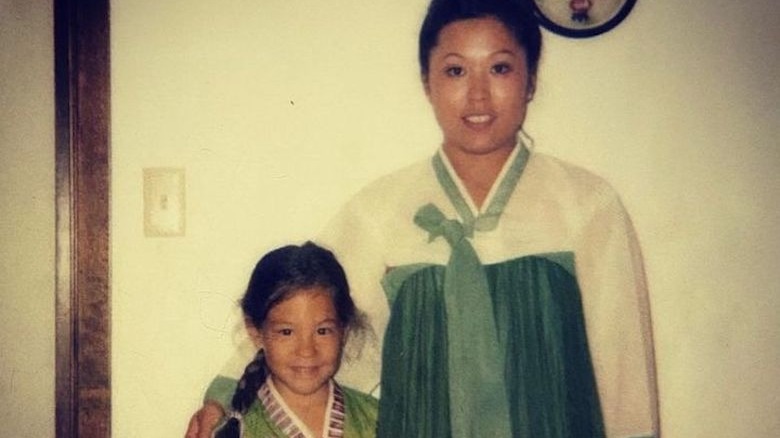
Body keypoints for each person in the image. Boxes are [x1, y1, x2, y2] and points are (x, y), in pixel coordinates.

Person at [188, 0, 659, 436]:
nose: (478, 94)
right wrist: (223, 396)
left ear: (530, 78)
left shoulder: (587, 205)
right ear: (427, 82)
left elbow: (624, 376)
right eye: (455, 70)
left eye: (499, 67)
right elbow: (300, 312)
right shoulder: (381, 209)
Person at [208, 242, 378, 438]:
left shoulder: (379, 419)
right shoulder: (236, 431)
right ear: (256, 333)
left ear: (344, 331)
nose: (306, 350)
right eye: (287, 332)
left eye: (322, 331)